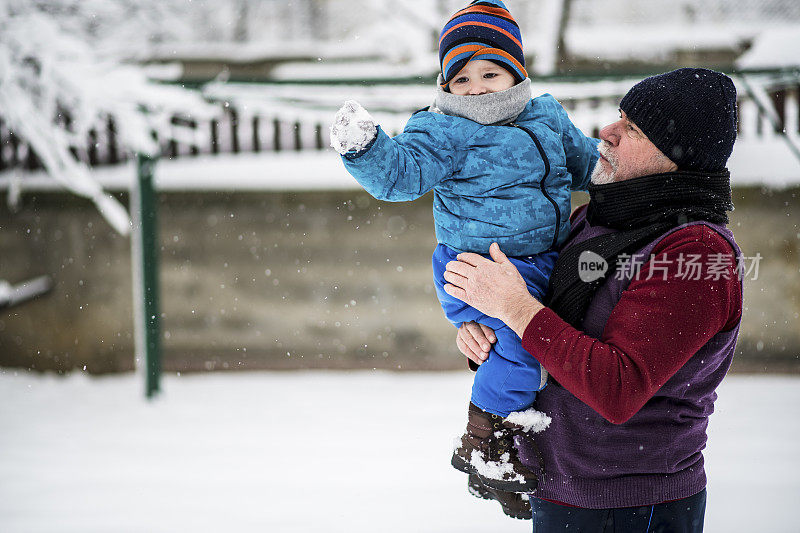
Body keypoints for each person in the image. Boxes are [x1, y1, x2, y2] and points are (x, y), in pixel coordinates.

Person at [329, 0, 598, 516]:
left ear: (517, 74)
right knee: (524, 351)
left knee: (549, 350)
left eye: (490, 73)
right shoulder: (444, 131)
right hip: (478, 270)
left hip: (544, 262)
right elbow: (402, 174)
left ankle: (512, 451)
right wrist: (366, 150)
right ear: (446, 86)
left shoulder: (547, 117)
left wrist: (625, 175)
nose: (474, 88)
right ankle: (485, 438)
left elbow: (586, 162)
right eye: (461, 78)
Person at [444, 67, 741, 531]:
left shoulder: (697, 254)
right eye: (619, 116)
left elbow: (618, 387)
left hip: (632, 504)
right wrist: (488, 334)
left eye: (633, 129)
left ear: (676, 158)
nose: (608, 131)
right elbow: (549, 327)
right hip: (561, 487)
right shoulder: (597, 219)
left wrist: (517, 310)